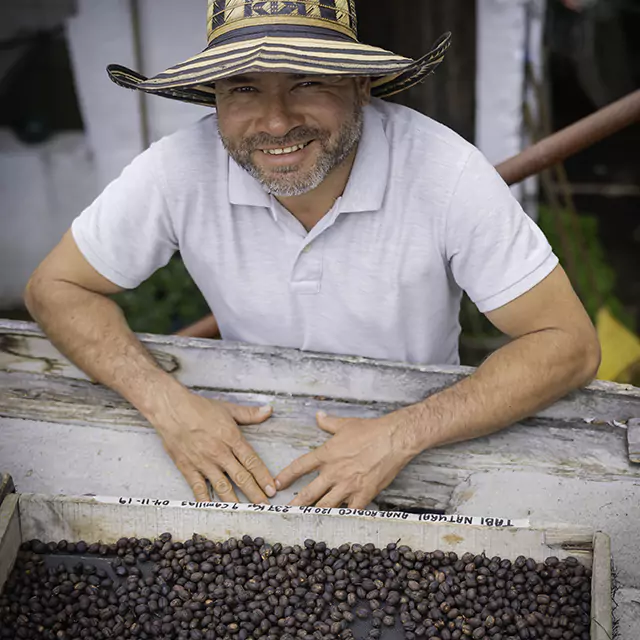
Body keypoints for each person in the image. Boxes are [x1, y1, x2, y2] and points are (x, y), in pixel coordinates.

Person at [25, 0, 601, 510]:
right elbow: (56, 288)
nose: (276, 122)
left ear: (361, 86)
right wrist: (167, 405)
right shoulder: (177, 168)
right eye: (244, 88)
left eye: (307, 82)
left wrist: (401, 434)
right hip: (248, 446)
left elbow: (567, 344)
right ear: (215, 98)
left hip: (420, 447)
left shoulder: (445, 172)